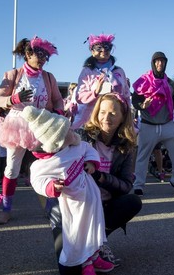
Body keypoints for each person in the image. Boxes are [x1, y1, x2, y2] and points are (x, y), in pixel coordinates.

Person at [46, 93, 142, 274]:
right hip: (70, 207)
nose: (106, 118)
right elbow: (55, 163)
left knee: (133, 201)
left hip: (100, 206)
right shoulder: (80, 136)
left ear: (123, 116)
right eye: (102, 112)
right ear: (96, 113)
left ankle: (97, 242)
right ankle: (83, 245)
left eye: (113, 113)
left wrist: (101, 177)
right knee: (69, 270)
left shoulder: (127, 146)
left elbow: (127, 185)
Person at [20, 106, 114, 275]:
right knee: (79, 234)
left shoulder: (76, 146)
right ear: (57, 141)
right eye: (67, 131)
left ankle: (94, 256)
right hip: (73, 205)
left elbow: (88, 149)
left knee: (95, 228)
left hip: (91, 198)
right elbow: (37, 180)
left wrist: (92, 163)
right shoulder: (42, 165)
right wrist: (51, 187)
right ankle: (85, 264)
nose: (72, 132)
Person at [0, 36, 64, 225]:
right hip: (17, 127)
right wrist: (13, 99)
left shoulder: (49, 77)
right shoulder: (12, 75)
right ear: (27, 53)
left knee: (50, 165)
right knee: (12, 168)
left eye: (46, 56)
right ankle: (6, 209)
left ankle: (51, 206)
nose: (42, 59)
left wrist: (57, 112)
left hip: (42, 125)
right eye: (39, 54)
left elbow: (57, 99)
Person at [131, 52, 174, 196]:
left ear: (166, 63)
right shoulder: (143, 80)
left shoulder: (170, 83)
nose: (160, 64)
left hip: (167, 124)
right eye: (157, 61)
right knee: (143, 155)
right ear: (153, 63)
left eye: (162, 61)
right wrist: (143, 105)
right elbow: (135, 100)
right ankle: (139, 185)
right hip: (148, 124)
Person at [74, 33, 131, 130]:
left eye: (107, 47)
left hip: (114, 121)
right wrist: (95, 92)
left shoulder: (119, 71)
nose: (103, 50)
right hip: (91, 121)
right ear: (92, 51)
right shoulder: (87, 71)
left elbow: (126, 95)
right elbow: (79, 97)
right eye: (98, 48)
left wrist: (127, 115)